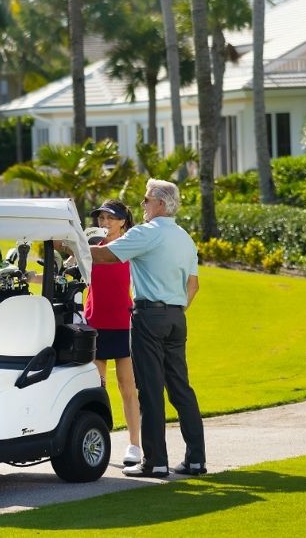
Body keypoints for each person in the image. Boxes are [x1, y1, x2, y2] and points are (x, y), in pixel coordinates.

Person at [90, 178, 205, 479]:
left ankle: (155, 461)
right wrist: (173, 310)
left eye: (146, 199)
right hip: (177, 317)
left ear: (161, 204)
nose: (142, 205)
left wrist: (74, 244)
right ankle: (196, 459)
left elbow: (104, 255)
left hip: (149, 317)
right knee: (180, 388)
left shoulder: (147, 233)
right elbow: (193, 285)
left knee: (150, 389)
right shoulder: (184, 237)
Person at [84, 199, 142, 467]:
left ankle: (135, 445)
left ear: (123, 222)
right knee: (97, 387)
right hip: (94, 322)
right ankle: (98, 441)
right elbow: (69, 272)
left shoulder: (131, 248)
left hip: (122, 323)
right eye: (101, 218)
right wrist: (33, 276)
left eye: (110, 218)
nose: (104, 223)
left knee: (126, 387)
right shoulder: (91, 249)